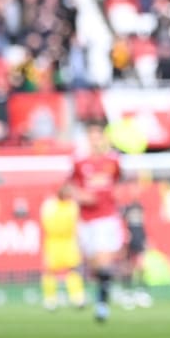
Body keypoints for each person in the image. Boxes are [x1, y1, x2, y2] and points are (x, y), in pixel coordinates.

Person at [66, 119, 124, 323]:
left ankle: (102, 305)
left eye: (98, 137)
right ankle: (102, 292)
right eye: (91, 137)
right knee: (94, 266)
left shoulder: (113, 162)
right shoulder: (79, 163)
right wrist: (79, 195)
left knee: (103, 263)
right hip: (86, 221)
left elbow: (119, 184)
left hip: (106, 219)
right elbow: (66, 187)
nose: (95, 141)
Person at [39, 183, 86, 310]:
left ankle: (77, 297)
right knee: (50, 270)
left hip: (69, 241)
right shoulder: (50, 205)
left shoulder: (72, 205)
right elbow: (46, 222)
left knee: (73, 269)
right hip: (53, 241)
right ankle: (50, 299)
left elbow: (77, 223)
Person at [118, 180, 153, 309]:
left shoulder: (141, 207)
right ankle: (127, 293)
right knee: (128, 267)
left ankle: (142, 292)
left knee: (141, 266)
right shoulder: (125, 208)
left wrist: (147, 238)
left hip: (139, 239)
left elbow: (145, 225)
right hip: (128, 240)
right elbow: (120, 223)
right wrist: (123, 236)